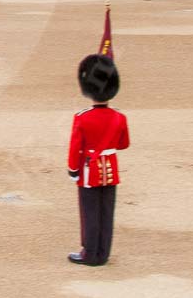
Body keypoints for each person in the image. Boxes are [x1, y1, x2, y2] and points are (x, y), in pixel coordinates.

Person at [68, 53, 129, 267]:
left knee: (90, 211)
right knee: (106, 212)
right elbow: (123, 144)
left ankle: (89, 253)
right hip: (111, 169)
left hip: (89, 171)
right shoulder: (120, 117)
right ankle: (103, 253)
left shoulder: (83, 117)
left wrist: (72, 169)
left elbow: (76, 147)